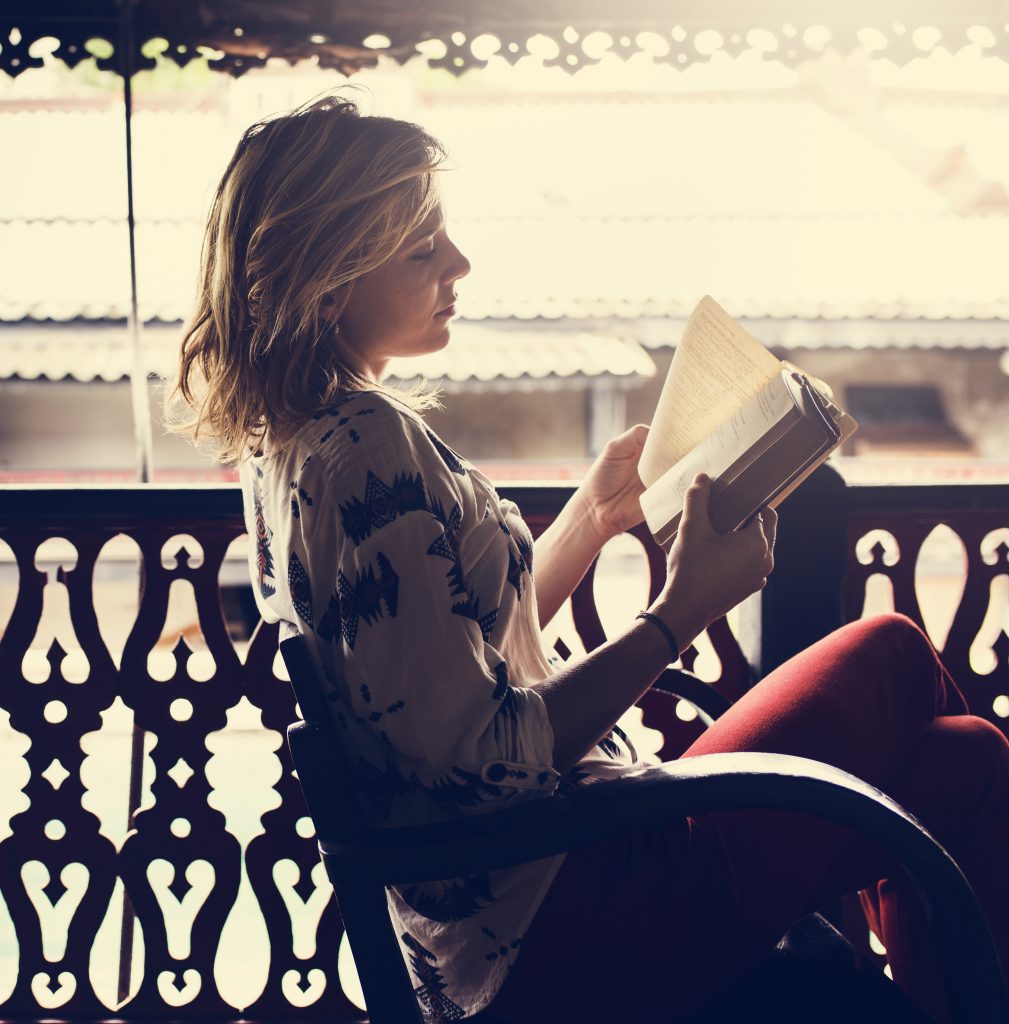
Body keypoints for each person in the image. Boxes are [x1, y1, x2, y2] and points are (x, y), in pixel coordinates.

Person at [167, 95, 1009, 1024]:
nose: (459, 265)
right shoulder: (366, 446)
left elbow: (455, 661)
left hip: (527, 895)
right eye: (422, 250)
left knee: (963, 765)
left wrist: (591, 519)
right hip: (570, 909)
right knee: (891, 650)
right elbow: (485, 760)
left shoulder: (294, 449)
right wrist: (678, 612)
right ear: (327, 285)